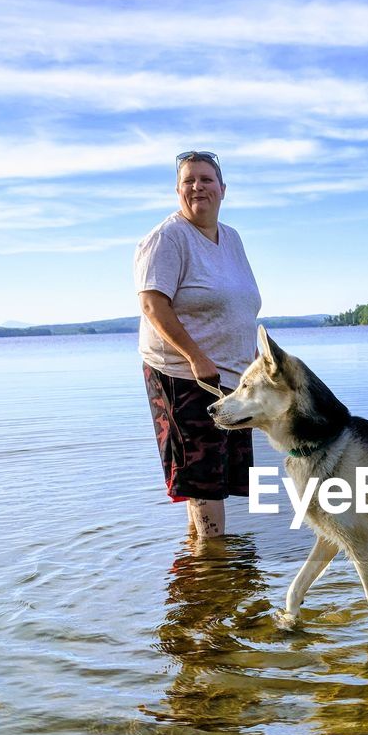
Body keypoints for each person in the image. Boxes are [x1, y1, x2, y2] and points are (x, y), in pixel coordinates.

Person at [134, 151, 262, 537]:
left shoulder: (232, 238)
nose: (198, 187)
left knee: (218, 481)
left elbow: (241, 307)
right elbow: (152, 303)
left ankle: (205, 575)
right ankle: (213, 563)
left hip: (234, 379)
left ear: (222, 189)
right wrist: (195, 356)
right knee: (202, 481)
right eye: (189, 180)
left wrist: (256, 366)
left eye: (206, 179)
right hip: (185, 377)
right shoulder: (166, 239)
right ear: (177, 190)